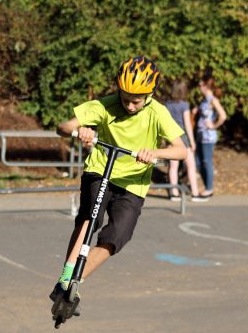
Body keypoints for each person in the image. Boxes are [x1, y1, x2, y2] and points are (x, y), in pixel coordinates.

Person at [53, 56, 187, 309]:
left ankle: (75, 282)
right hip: (101, 170)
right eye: (125, 98)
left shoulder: (158, 112)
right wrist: (81, 130)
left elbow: (182, 151)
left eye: (136, 100)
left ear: (149, 95)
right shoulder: (105, 105)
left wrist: (154, 154)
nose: (130, 105)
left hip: (134, 182)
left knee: (117, 235)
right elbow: (63, 126)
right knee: (90, 217)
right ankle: (64, 277)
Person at [191, 74, 226, 202]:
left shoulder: (213, 100)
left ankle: (209, 189)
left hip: (208, 137)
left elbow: (223, 116)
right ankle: (206, 187)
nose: (199, 87)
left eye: (201, 85)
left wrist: (213, 125)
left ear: (206, 86)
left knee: (206, 161)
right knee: (199, 162)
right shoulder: (204, 100)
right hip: (200, 135)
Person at [164, 80, 202, 201]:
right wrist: (192, 142)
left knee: (173, 167)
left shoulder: (167, 104)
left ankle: (174, 192)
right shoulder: (184, 105)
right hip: (183, 137)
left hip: (171, 137)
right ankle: (195, 193)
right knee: (191, 165)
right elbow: (187, 125)